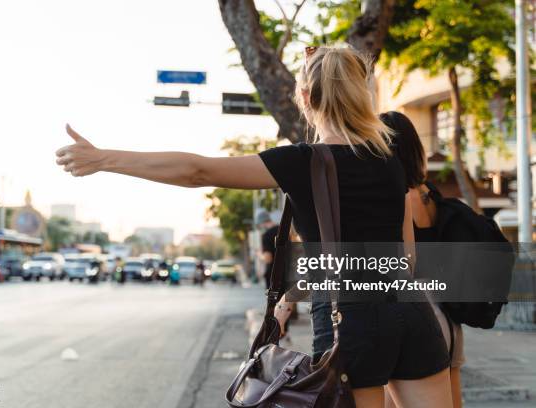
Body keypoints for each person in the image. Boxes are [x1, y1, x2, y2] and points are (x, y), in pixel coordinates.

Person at [55, 44, 452, 407]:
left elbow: (197, 171)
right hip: (413, 311)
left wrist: (105, 159)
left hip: (350, 324)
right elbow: (407, 256)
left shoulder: (303, 161)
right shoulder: (389, 160)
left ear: (306, 98)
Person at [382, 111, 465, 408]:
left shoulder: (394, 197)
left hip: (414, 313)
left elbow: (404, 263)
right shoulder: (433, 195)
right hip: (448, 318)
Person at [255, 208, 279, 289]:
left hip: (274, 276)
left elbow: (268, 259)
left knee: (276, 301)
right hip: (289, 274)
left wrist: (259, 255)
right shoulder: (283, 229)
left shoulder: (267, 235)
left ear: (262, 223)